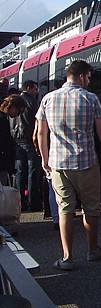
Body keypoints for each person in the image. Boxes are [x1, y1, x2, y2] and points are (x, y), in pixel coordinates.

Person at [36, 60, 101, 271]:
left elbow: (41, 134)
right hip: (86, 162)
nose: (89, 81)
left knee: (65, 210)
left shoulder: (48, 99)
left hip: (58, 165)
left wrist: (45, 160)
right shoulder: (90, 99)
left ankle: (67, 257)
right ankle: (92, 251)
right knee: (91, 208)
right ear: (82, 76)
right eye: (89, 77)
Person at [10, 81, 42, 211]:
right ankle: (33, 202)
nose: (36, 92)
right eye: (35, 89)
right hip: (29, 141)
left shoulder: (14, 101)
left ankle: (18, 203)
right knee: (32, 172)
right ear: (29, 88)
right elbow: (37, 121)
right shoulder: (31, 101)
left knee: (20, 172)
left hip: (17, 140)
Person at [0, 95, 26, 186]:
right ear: (13, 107)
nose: (18, 115)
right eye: (19, 111)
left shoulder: (4, 118)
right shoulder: (3, 119)